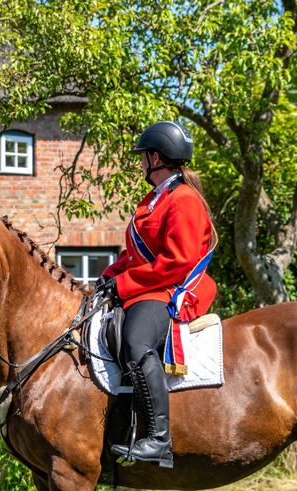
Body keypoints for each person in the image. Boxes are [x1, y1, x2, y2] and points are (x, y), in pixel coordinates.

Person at [96, 121, 218, 469]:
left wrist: (123, 284)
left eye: (143, 157)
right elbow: (136, 255)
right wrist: (108, 276)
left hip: (173, 288)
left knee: (136, 343)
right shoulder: (155, 199)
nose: (140, 163)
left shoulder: (184, 200)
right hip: (149, 284)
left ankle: (159, 439)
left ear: (155, 157)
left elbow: (178, 261)